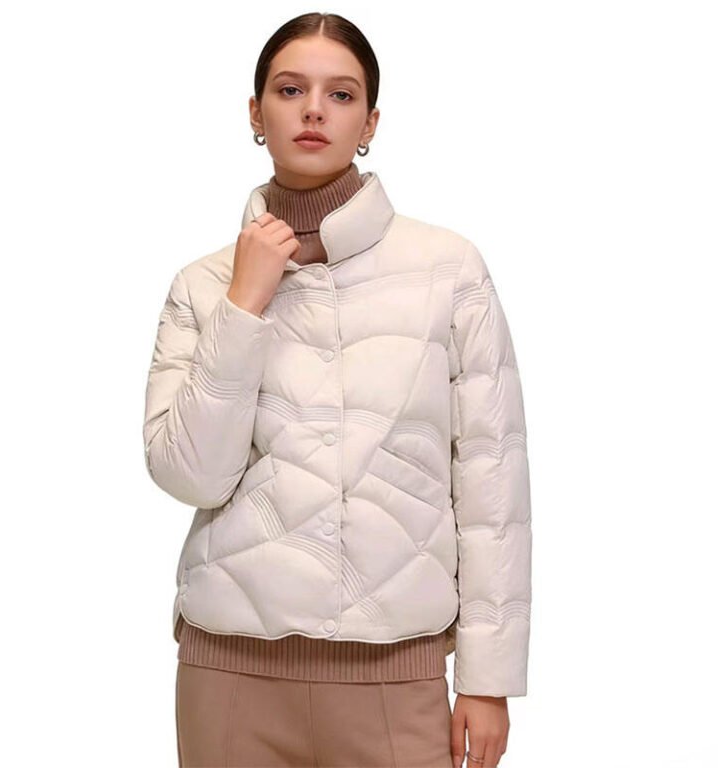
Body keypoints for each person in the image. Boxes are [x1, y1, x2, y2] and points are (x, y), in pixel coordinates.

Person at [143, 12, 532, 768]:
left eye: (341, 94)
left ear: (370, 122)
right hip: (228, 672)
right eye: (290, 90)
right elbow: (189, 475)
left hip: (395, 676)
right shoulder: (204, 284)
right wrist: (243, 305)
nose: (314, 110)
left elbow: (494, 484)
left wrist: (488, 680)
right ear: (256, 114)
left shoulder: (449, 269)